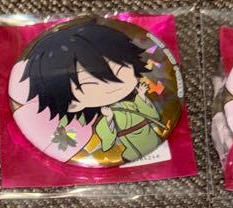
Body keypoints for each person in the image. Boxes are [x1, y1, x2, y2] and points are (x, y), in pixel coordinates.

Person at [21, 17, 170, 162]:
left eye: (119, 69)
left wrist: (142, 96)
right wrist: (109, 119)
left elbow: (154, 116)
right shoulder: (102, 119)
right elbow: (108, 142)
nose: (113, 83)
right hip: (129, 150)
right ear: (73, 104)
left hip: (152, 139)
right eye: (90, 83)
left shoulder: (134, 102)